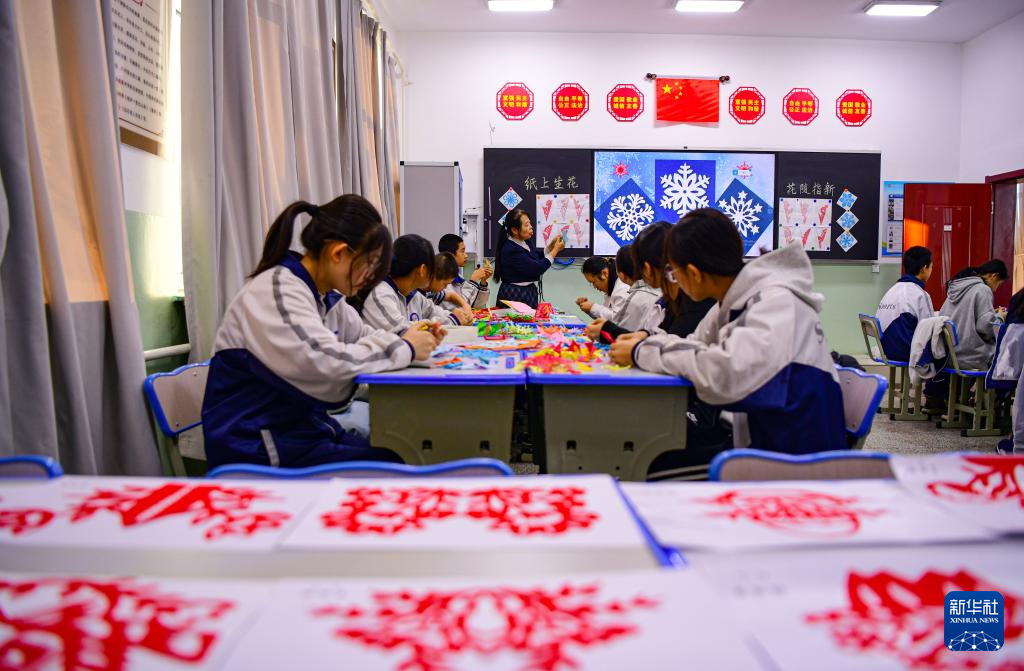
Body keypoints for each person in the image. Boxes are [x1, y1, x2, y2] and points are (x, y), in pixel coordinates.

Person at [202, 195, 440, 468]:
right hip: (256, 446)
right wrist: (406, 347)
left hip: (301, 433)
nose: (370, 278)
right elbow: (327, 364)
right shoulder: (277, 290)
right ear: (338, 253)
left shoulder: (325, 297)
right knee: (398, 465)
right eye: (369, 264)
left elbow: (363, 334)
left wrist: (408, 339)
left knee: (402, 455)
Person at [610, 208, 846, 455]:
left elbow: (723, 373)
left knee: (650, 456)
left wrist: (640, 351)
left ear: (693, 274)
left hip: (794, 459)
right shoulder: (729, 304)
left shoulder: (776, 303)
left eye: (674, 272)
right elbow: (694, 344)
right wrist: (647, 341)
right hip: (760, 438)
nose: (673, 280)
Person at [360, 235, 473, 332]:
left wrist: (458, 316)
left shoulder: (414, 295)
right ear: (423, 270)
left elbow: (434, 311)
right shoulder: (381, 294)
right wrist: (453, 319)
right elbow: (403, 331)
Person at [939, 259, 1008, 369]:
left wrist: (991, 313)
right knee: (1008, 356)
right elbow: (986, 328)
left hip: (949, 356)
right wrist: (1000, 316)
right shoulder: (983, 289)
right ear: (993, 276)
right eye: (998, 284)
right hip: (972, 356)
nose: (995, 290)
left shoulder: (957, 288)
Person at [493, 208, 564, 309]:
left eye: (530, 223)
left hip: (528, 292)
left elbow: (534, 256)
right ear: (514, 230)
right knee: (515, 320)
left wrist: (550, 247)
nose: (531, 227)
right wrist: (555, 250)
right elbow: (536, 269)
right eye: (526, 225)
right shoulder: (511, 249)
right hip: (514, 294)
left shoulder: (525, 241)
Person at [876, 245, 935, 362]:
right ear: (924, 268)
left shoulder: (893, 289)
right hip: (907, 352)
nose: (931, 271)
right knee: (944, 351)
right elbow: (929, 330)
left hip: (886, 349)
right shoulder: (920, 294)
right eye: (931, 267)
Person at [438, 233, 491, 309]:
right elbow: (459, 307)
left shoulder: (458, 277)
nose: (466, 256)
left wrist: (483, 282)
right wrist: (473, 281)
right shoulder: (442, 279)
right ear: (450, 255)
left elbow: (476, 304)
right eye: (462, 251)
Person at [576, 255, 630, 321]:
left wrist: (592, 307)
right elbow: (605, 319)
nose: (594, 287)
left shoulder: (623, 289)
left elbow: (617, 320)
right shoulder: (611, 289)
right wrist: (588, 309)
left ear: (604, 273)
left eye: (594, 282)